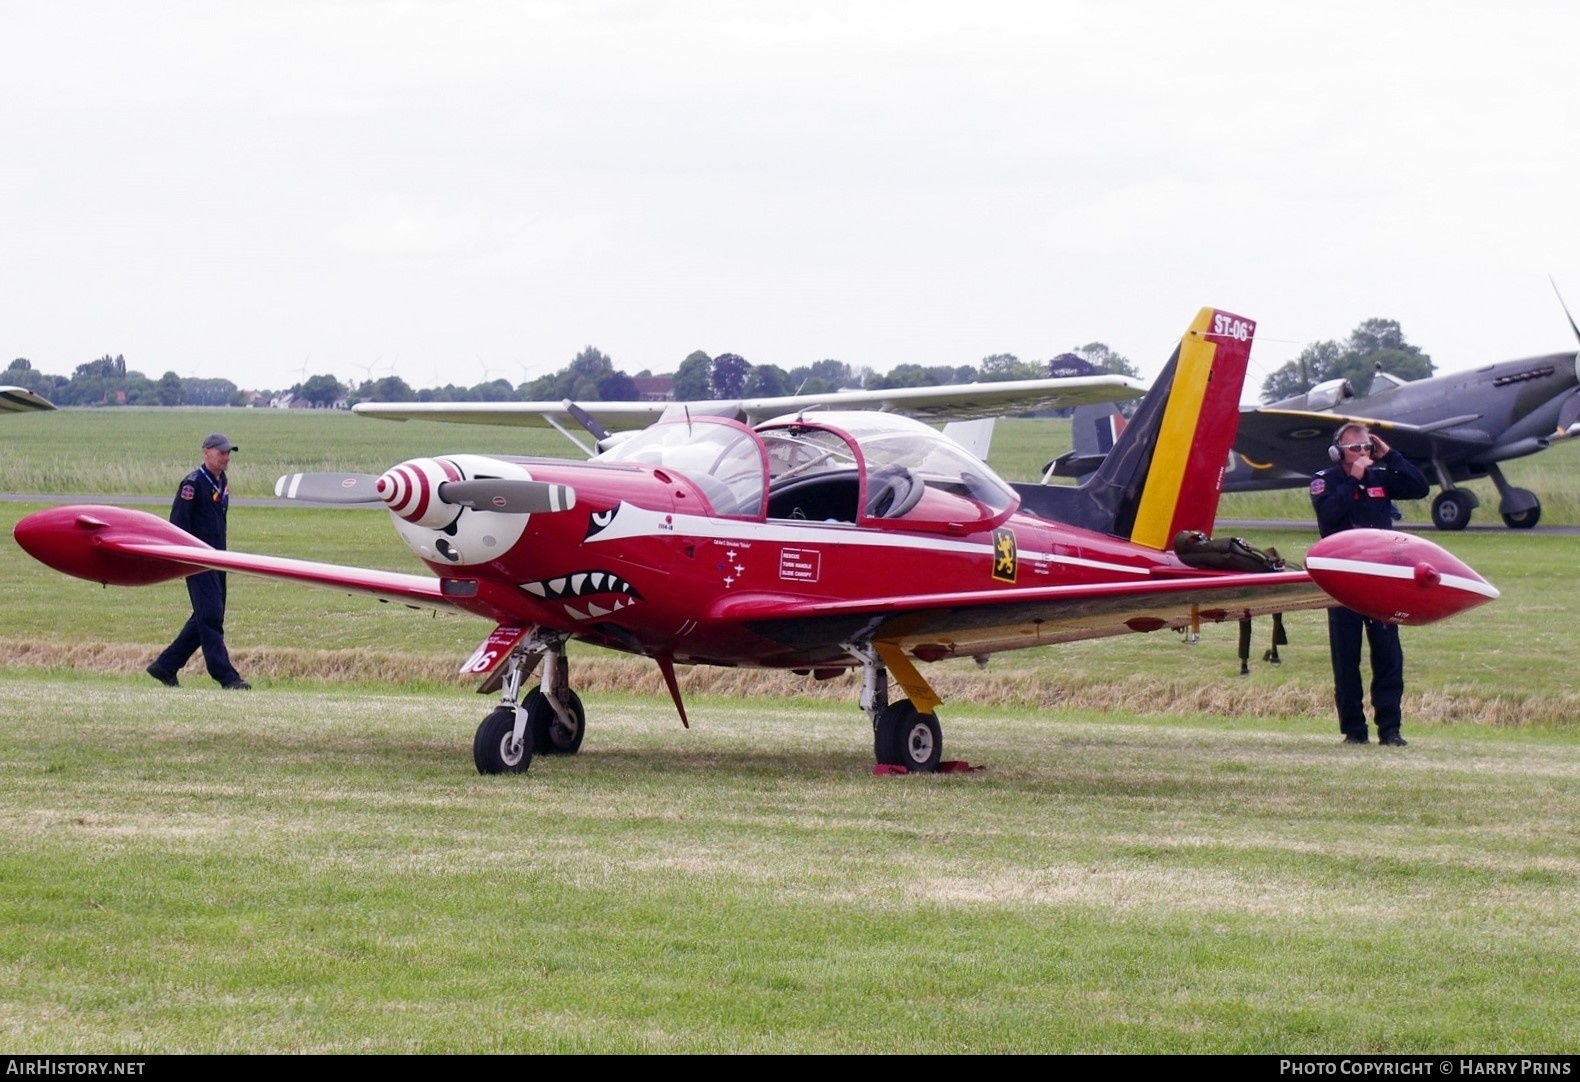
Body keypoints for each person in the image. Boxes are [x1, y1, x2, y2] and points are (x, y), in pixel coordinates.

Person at [1310, 422, 1428, 745]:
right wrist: (1354, 479)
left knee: (1389, 655)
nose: (1362, 454)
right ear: (1339, 452)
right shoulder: (1325, 482)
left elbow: (1420, 487)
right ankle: (1354, 730)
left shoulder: (1381, 477)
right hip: (1344, 581)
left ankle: (1390, 729)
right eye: (1355, 448)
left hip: (1381, 581)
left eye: (1366, 447)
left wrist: (1391, 455)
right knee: (1346, 658)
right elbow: (1331, 514)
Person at [146, 433, 251, 690]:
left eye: (228, 453)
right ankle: (227, 677)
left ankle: (165, 666)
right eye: (222, 452)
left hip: (219, 559)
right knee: (211, 618)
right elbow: (178, 526)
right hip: (197, 560)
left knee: (204, 618)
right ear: (206, 453)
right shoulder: (192, 484)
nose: (226, 457)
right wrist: (182, 561)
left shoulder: (221, 480)